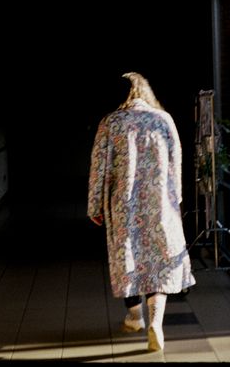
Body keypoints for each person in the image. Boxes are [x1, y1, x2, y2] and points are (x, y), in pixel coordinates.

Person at [87, 72, 196, 352]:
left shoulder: (110, 123)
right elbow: (177, 163)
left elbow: (99, 168)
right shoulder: (164, 119)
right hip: (160, 204)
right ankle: (156, 324)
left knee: (129, 260)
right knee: (158, 262)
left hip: (124, 205)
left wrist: (95, 205)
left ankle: (135, 316)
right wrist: (177, 199)